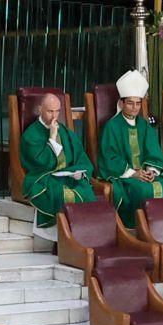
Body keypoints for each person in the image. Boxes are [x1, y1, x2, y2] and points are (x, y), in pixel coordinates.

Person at [95, 70, 163, 224]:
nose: (134, 107)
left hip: (145, 175)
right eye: (130, 103)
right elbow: (109, 158)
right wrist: (134, 173)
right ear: (122, 103)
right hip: (126, 177)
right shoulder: (112, 126)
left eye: (138, 103)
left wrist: (151, 171)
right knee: (142, 190)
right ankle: (135, 230)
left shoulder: (144, 125)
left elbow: (155, 153)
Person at [19, 92, 95, 238]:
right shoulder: (31, 134)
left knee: (85, 191)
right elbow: (41, 164)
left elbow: (81, 158)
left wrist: (80, 172)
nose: (54, 116)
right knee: (59, 193)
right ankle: (60, 238)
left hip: (68, 177)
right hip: (45, 178)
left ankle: (84, 237)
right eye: (50, 111)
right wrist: (52, 138)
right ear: (40, 109)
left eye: (57, 111)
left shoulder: (65, 131)